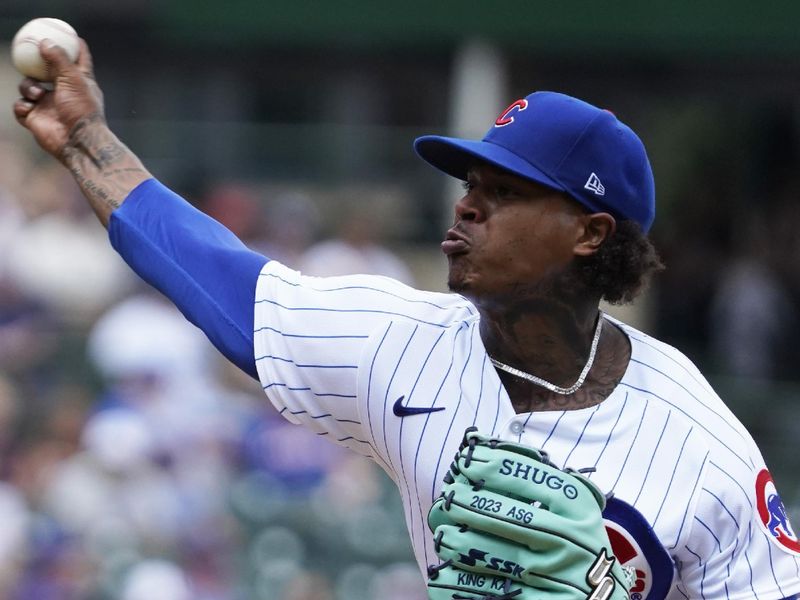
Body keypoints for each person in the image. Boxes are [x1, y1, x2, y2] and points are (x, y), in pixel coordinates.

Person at [13, 39, 800, 600]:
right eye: (470, 181)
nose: (467, 204)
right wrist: (86, 137)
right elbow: (215, 275)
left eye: (507, 191)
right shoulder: (399, 341)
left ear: (590, 234)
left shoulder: (698, 445)